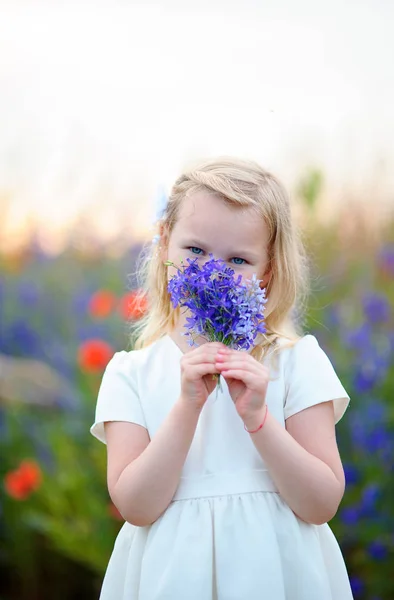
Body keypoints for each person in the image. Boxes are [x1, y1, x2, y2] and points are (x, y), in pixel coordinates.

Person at [90, 156, 354, 599]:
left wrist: (258, 418)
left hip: (277, 575)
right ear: (163, 244)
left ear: (267, 272)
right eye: (194, 250)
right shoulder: (129, 374)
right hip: (172, 578)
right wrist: (187, 406)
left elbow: (321, 503)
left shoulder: (294, 362)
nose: (213, 271)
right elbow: (136, 506)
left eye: (238, 259)